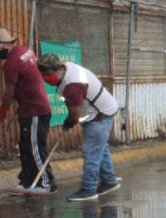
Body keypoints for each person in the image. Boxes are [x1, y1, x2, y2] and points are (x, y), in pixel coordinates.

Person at [37, 53, 121, 201]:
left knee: (91, 152)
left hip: (100, 115)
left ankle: (88, 189)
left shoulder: (72, 86)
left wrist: (68, 123)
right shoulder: (67, 69)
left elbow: (74, 115)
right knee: (100, 148)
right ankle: (109, 182)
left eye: (48, 74)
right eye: (42, 75)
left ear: (58, 70)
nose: (45, 78)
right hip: (102, 110)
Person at [0, 28, 56, 193]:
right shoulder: (24, 50)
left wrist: (2, 111)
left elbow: (9, 93)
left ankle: (47, 184)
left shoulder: (11, 63)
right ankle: (27, 182)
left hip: (35, 110)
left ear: (4, 44)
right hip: (30, 108)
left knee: (35, 148)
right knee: (25, 147)